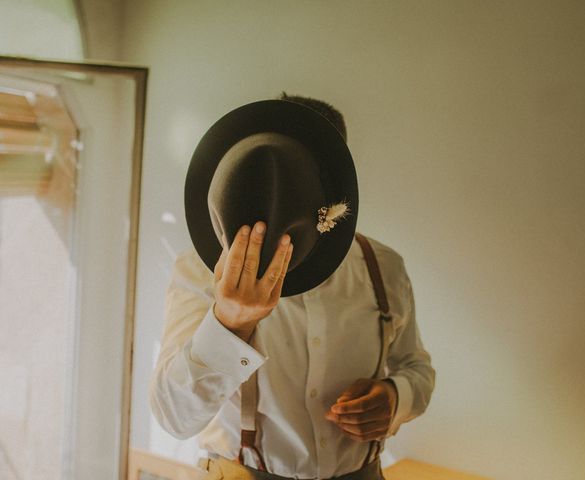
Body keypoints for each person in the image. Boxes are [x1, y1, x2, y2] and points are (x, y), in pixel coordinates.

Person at [149, 94, 436, 480]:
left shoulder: (382, 266)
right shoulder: (201, 271)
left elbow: (416, 366)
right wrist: (229, 324)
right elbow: (173, 417)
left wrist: (395, 396)